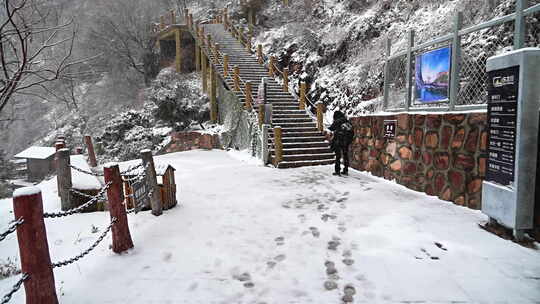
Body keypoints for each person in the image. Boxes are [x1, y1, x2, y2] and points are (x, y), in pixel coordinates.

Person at [329, 110, 354, 176]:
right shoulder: (346, 121)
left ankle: (337, 171)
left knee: (338, 156)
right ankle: (346, 170)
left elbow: (331, 128)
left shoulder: (337, 121)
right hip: (346, 141)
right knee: (345, 155)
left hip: (339, 141)